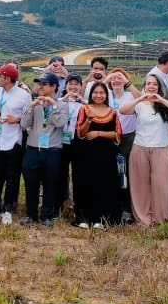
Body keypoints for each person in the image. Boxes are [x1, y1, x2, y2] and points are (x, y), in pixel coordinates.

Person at [120, 75, 168, 227]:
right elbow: (123, 110)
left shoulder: (167, 104)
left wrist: (161, 100)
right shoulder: (139, 105)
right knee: (140, 185)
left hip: (161, 148)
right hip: (140, 148)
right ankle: (143, 218)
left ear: (160, 87)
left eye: (154, 84)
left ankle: (161, 218)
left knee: (161, 185)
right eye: (148, 84)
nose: (151, 86)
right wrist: (140, 98)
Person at [0, 62, 32, 225]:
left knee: (12, 177)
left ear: (7, 78)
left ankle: (8, 210)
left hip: (13, 141)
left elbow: (28, 118)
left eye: (0, 76)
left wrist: (17, 120)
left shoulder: (24, 95)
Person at [19, 72, 68, 227]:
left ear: (53, 87)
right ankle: (31, 215)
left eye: (44, 84)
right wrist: (32, 107)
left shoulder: (62, 105)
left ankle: (47, 215)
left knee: (50, 184)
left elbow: (59, 123)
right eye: (39, 84)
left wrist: (52, 106)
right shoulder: (35, 104)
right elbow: (23, 124)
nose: (40, 87)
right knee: (31, 184)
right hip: (33, 149)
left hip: (52, 150)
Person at [75, 82, 121, 228]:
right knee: (85, 183)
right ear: (91, 94)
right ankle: (83, 218)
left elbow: (118, 134)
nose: (98, 95)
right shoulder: (84, 109)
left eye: (102, 93)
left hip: (106, 155)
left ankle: (101, 219)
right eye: (96, 92)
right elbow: (80, 133)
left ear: (107, 95)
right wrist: (89, 120)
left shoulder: (113, 112)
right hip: (86, 154)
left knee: (104, 184)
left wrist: (99, 133)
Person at [108, 69, 137, 222]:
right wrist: (107, 78)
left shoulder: (130, 95)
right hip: (109, 138)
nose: (116, 80)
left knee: (125, 173)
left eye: (120, 78)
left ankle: (126, 209)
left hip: (128, 138)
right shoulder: (105, 94)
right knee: (110, 173)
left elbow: (143, 99)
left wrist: (127, 83)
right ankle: (111, 207)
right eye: (113, 78)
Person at [56, 72, 84, 224]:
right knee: (61, 174)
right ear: (66, 86)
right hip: (61, 141)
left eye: (76, 84)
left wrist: (83, 100)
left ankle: (78, 208)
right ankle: (61, 205)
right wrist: (64, 99)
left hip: (78, 142)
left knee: (78, 174)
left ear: (81, 87)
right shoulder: (60, 101)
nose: (73, 87)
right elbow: (53, 107)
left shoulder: (84, 103)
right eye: (70, 84)